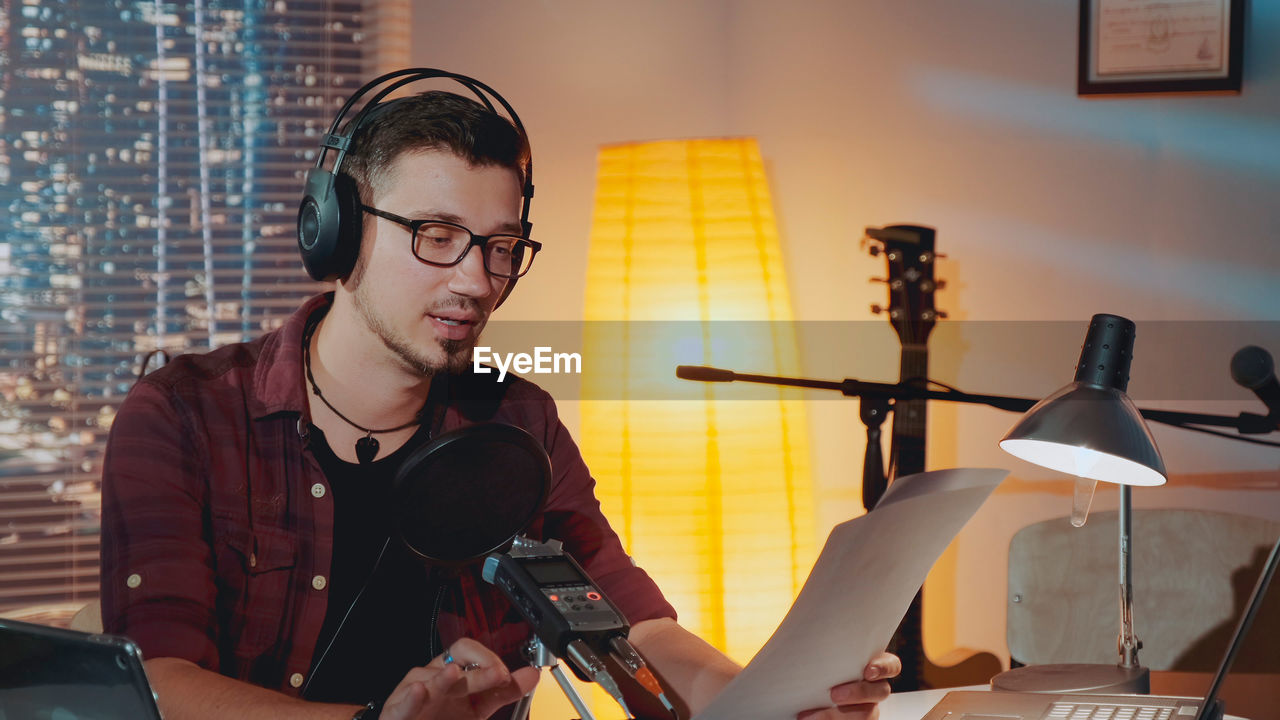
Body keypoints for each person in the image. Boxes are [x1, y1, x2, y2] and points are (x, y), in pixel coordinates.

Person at [99, 75, 899, 720]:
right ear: (338, 231)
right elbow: (159, 680)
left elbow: (633, 627)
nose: (477, 281)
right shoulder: (184, 416)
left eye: (502, 247)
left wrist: (772, 704)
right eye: (437, 236)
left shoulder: (520, 424)